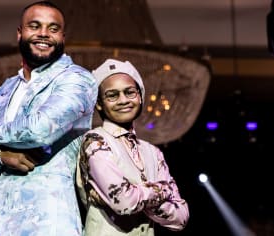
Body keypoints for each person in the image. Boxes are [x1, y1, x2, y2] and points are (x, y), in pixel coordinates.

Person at [0, 1, 98, 235]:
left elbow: (39, 130)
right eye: (35, 26)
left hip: (47, 222)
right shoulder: (7, 88)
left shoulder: (77, 80)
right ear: (20, 33)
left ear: (62, 37)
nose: (43, 34)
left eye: (53, 28)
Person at [76, 58, 189, 235]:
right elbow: (124, 203)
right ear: (99, 103)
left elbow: (181, 218)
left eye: (129, 92)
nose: (123, 100)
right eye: (112, 95)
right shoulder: (95, 141)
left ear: (140, 96)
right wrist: (162, 189)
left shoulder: (153, 152)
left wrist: (137, 195)